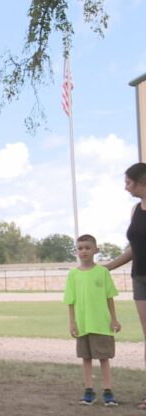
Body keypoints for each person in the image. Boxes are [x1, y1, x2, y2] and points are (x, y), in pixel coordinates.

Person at [106, 162, 146, 410]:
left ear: (142, 182)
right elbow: (133, 249)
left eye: (128, 183)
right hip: (140, 278)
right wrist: (106, 267)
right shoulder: (136, 210)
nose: (126, 187)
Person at [64, 234, 121, 406]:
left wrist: (114, 319)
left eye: (87, 248)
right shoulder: (73, 275)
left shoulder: (103, 272)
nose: (84, 251)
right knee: (86, 358)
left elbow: (109, 297)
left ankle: (107, 391)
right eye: (80, 248)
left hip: (101, 324)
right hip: (83, 325)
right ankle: (89, 390)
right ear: (76, 251)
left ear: (95, 250)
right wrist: (72, 322)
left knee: (104, 358)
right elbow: (70, 301)